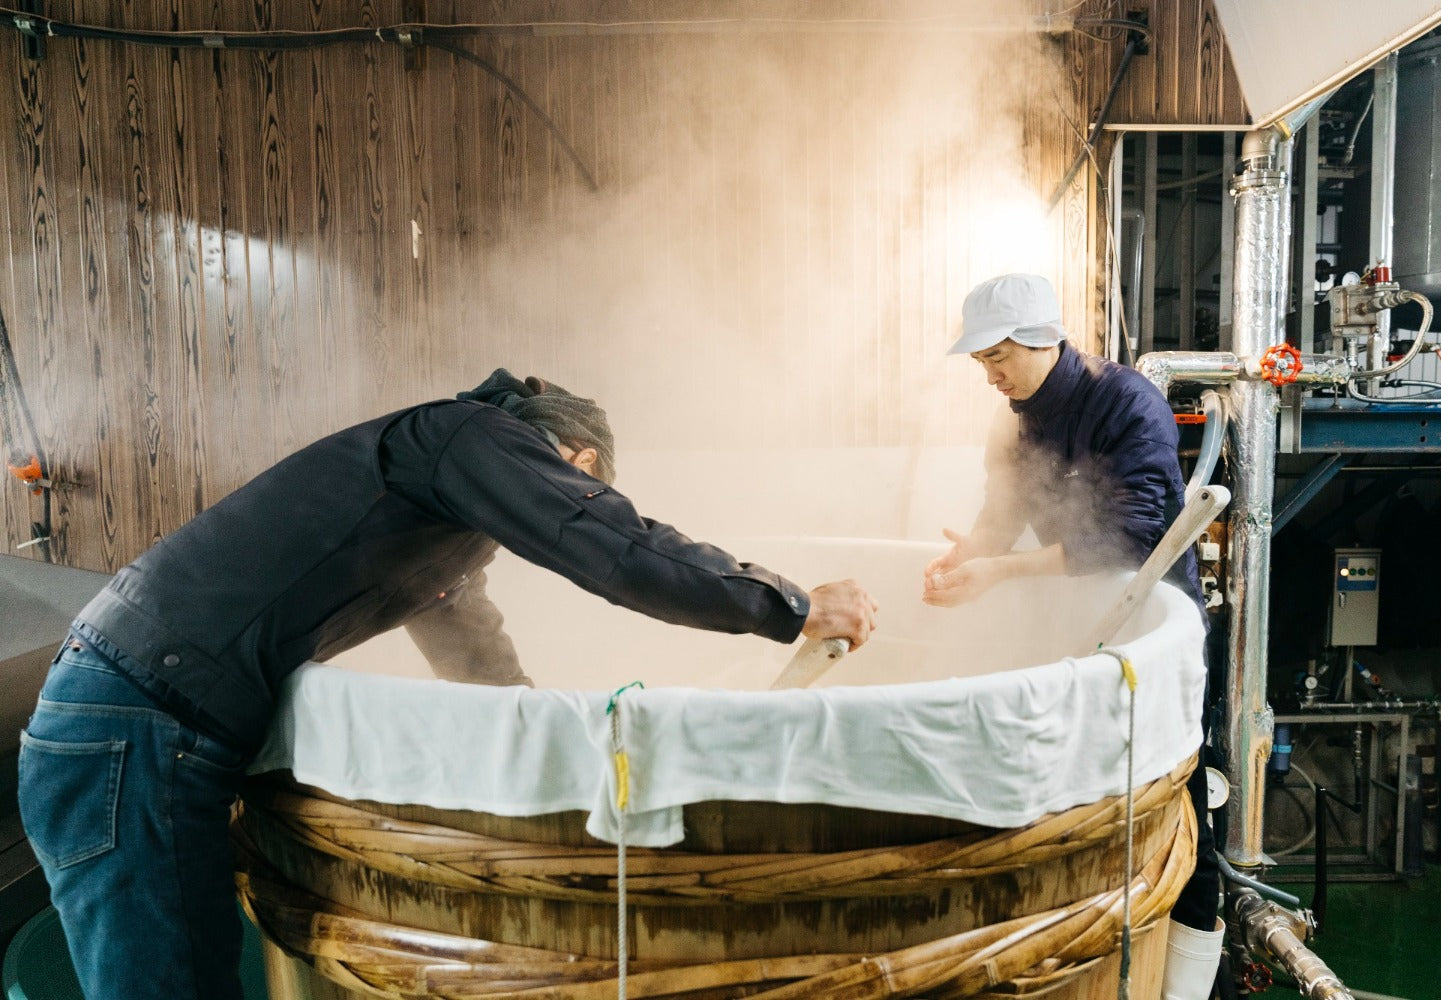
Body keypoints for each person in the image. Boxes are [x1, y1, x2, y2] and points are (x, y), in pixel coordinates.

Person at [17, 369, 877, 1000]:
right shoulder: (466, 436)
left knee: (193, 981)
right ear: (573, 459)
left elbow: (479, 660)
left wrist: (559, 753)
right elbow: (616, 550)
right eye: (581, 486)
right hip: (132, 724)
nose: (572, 500)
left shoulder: (433, 508)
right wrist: (789, 606)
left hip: (149, 726)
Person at [921, 274, 1222, 1000]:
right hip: (1078, 624)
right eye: (980, 362)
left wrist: (1004, 570)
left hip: (1151, 625)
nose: (990, 376)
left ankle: (1187, 986)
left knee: (1175, 807)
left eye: (999, 357)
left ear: (1043, 340)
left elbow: (1137, 533)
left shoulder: (1123, 401)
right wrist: (967, 560)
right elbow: (1004, 508)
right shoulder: (1018, 416)